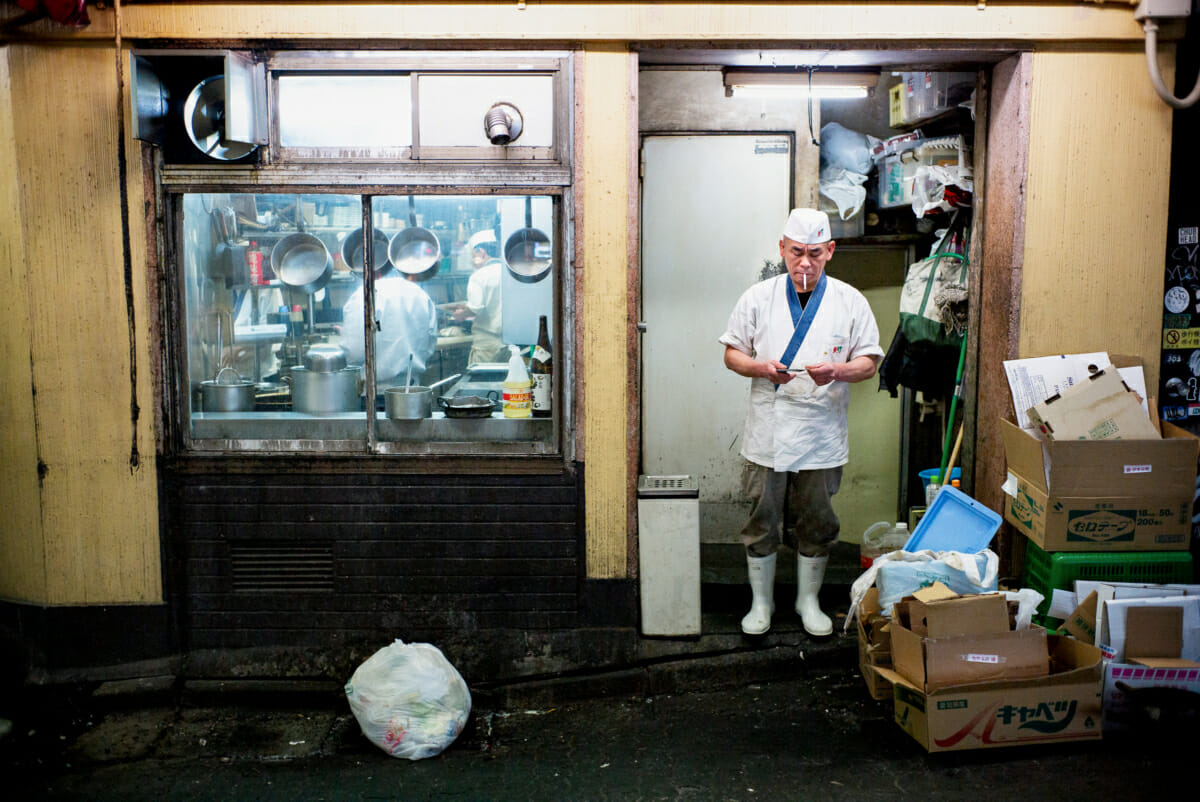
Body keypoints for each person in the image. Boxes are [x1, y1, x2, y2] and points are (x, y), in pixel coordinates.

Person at [719, 208, 884, 637]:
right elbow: (731, 353)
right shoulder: (758, 297)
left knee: (818, 518)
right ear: (782, 249)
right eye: (796, 253)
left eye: (814, 253)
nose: (804, 263)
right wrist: (760, 368)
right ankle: (762, 604)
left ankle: (808, 600)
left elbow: (868, 362)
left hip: (821, 431)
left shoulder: (850, 300)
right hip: (768, 429)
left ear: (830, 251)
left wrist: (837, 371)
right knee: (761, 515)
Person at [340, 270, 437, 389]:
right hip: (411, 389)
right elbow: (430, 343)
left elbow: (353, 352)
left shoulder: (364, 295)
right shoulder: (420, 294)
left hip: (374, 393)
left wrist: (345, 336)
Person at [452, 229, 507, 365]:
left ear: (481, 252)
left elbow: (475, 308)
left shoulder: (479, 275)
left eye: (472, 255)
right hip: (510, 345)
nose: (472, 261)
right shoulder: (509, 273)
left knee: (482, 383)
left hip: (486, 347)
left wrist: (460, 315)